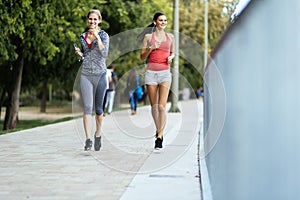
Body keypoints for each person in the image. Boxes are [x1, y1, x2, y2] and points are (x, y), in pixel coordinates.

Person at [74, 9, 109, 151]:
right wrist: (80, 54)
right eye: (90, 19)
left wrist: (97, 38)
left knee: (99, 110)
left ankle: (98, 134)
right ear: (87, 20)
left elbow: (104, 53)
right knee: (87, 107)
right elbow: (87, 56)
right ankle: (88, 139)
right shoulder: (82, 36)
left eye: (95, 19)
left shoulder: (104, 35)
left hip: (100, 74)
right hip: (86, 75)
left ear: (99, 20)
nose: (92, 22)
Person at [139, 12, 175, 149]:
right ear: (155, 22)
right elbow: (142, 57)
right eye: (161, 20)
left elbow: (173, 52)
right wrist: (150, 48)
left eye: (165, 20)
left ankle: (159, 136)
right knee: (154, 107)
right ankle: (158, 128)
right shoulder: (148, 37)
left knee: (161, 107)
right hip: (151, 74)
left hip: (165, 73)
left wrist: (171, 57)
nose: (163, 22)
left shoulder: (171, 37)